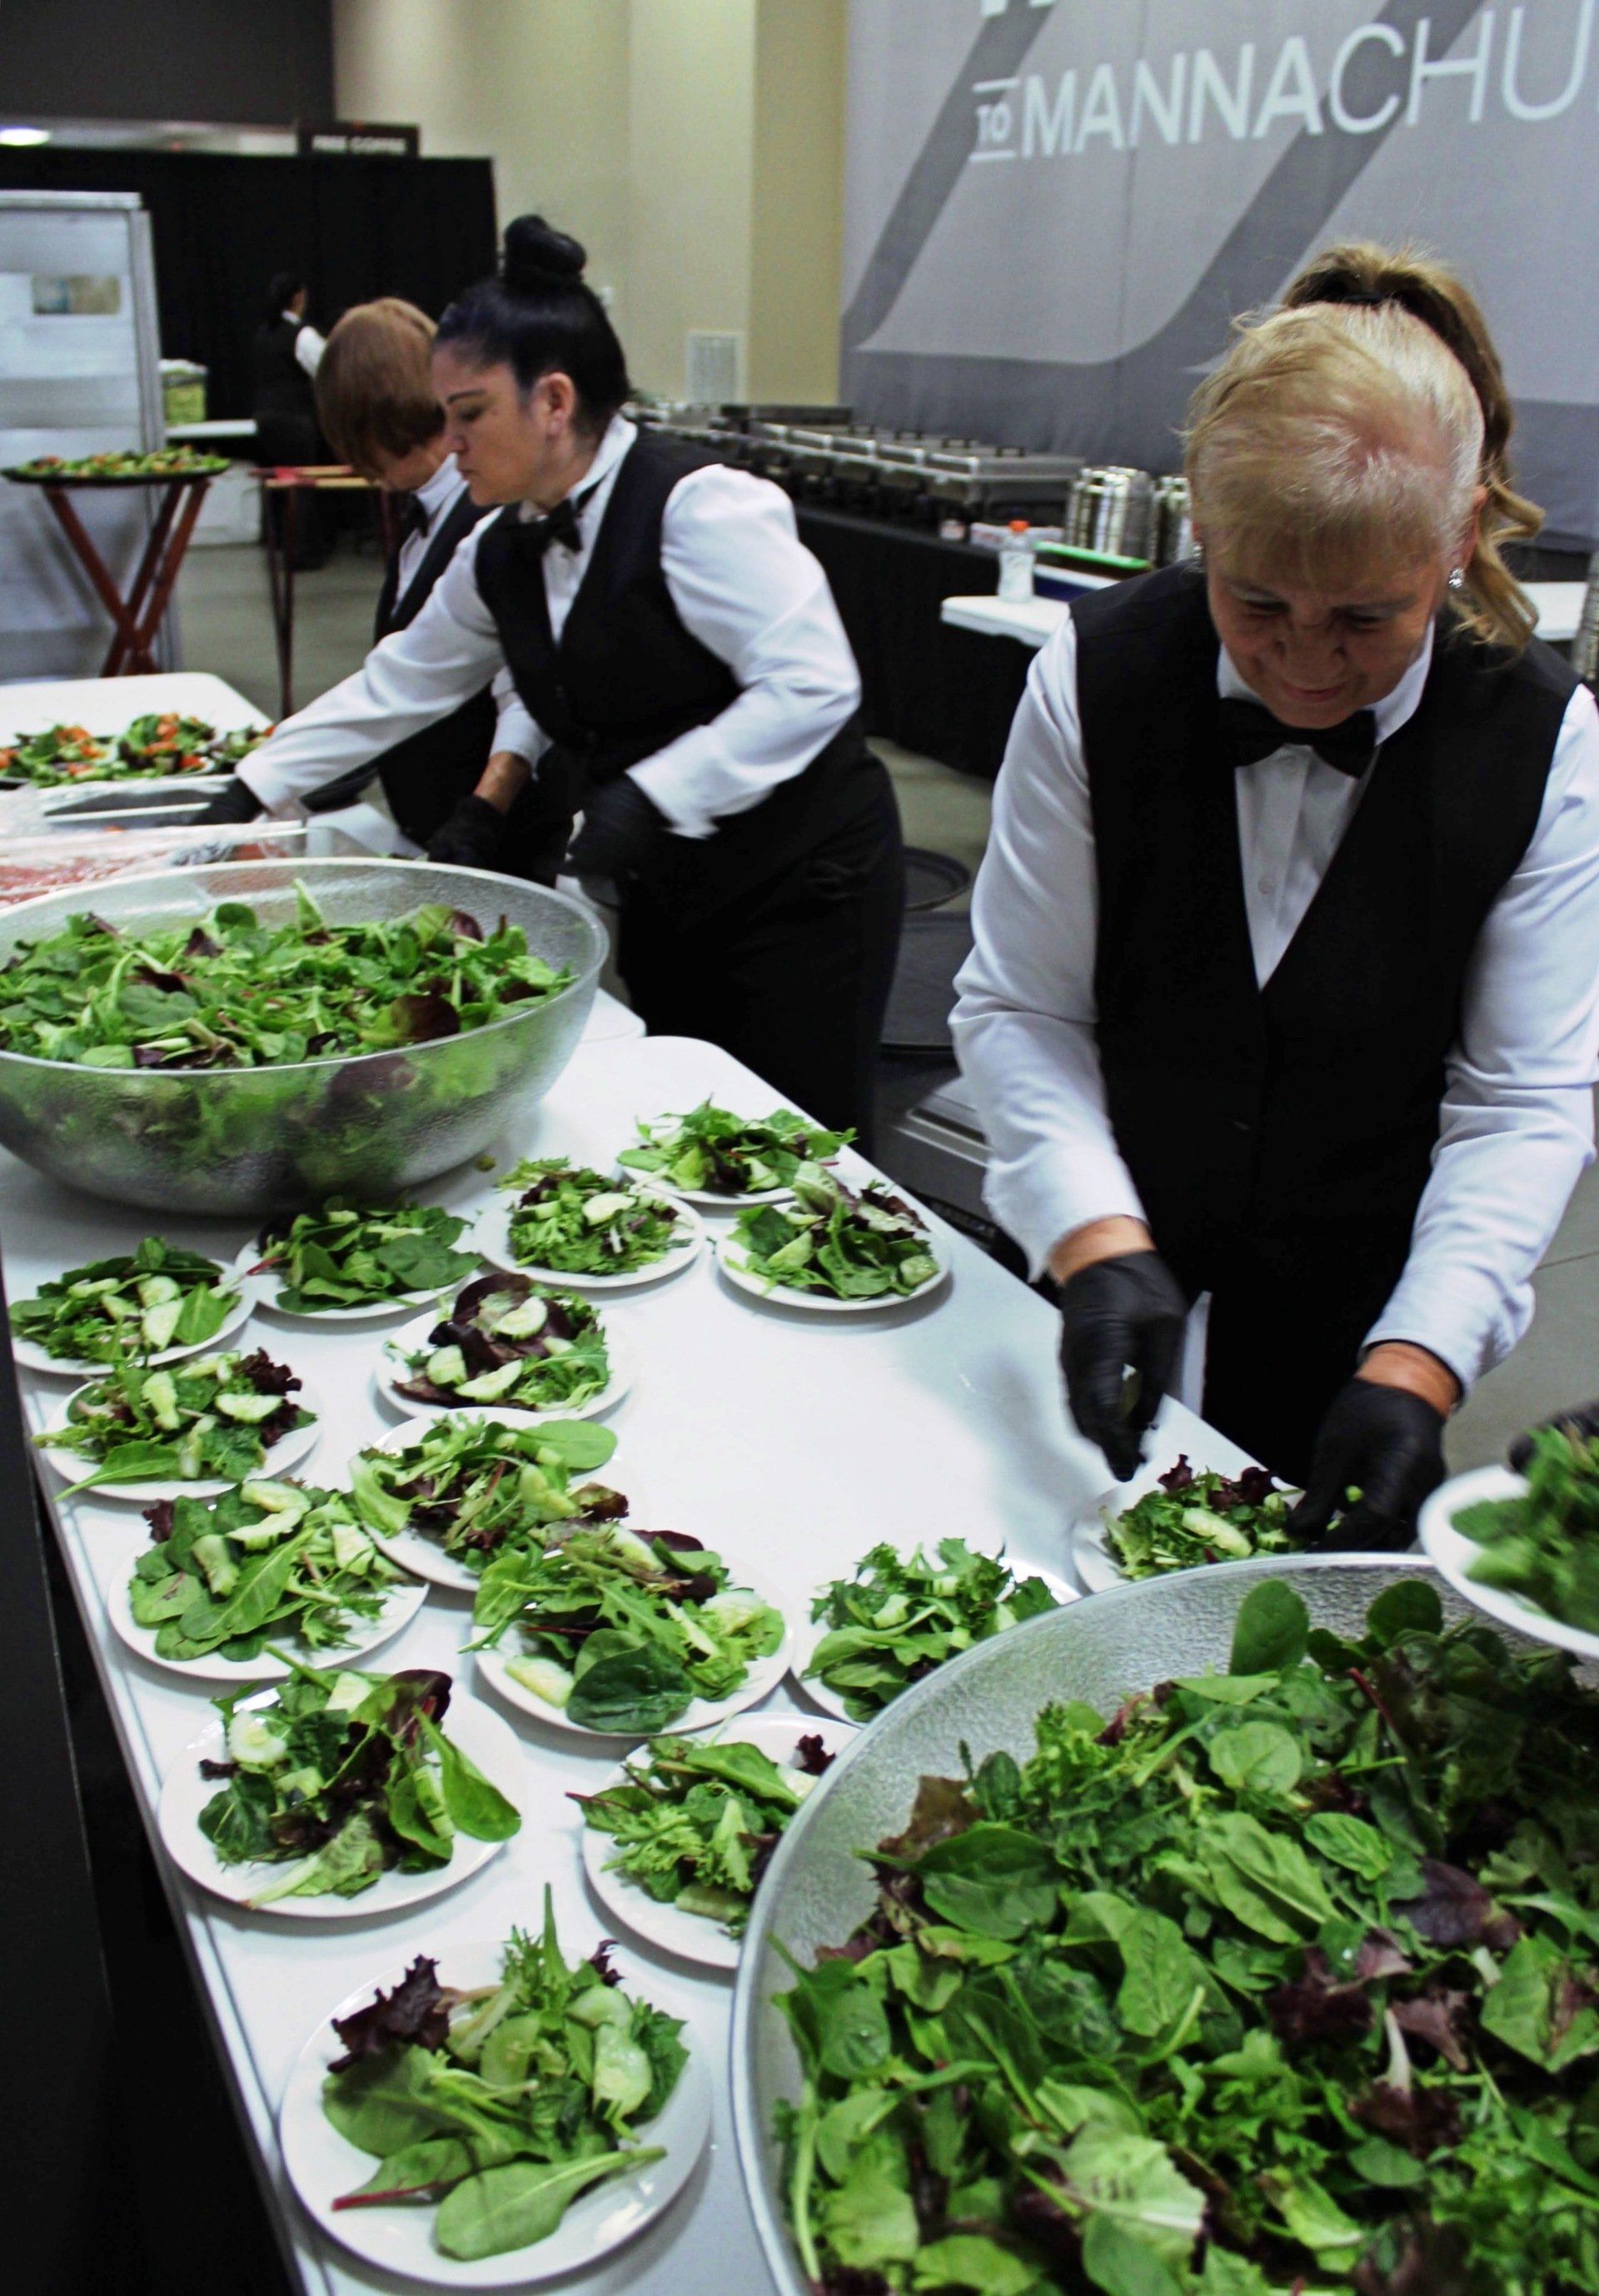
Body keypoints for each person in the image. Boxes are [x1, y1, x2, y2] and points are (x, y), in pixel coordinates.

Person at [952, 242, 1599, 1549]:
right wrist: (1091, 1232)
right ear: (1200, 515)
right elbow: (1023, 1002)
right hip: (1117, 1214)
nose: (1305, 662)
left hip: (1367, 1279)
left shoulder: (1550, 741)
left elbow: (1521, 1100)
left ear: (1461, 535)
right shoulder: (1096, 677)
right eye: (1258, 603)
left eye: (1366, 617)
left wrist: (1419, 1359)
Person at [220, 215, 904, 1142]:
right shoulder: (499, 547)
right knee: (688, 1120)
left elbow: (814, 687)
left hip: (804, 881)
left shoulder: (700, 507)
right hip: (668, 883)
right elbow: (402, 681)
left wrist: (651, 796)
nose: (451, 445)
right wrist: (252, 785)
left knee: (801, 1142)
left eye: (468, 416)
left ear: (552, 400)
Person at [205, 296, 569, 874]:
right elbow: (403, 675)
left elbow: (523, 689)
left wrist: (484, 809)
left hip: (504, 840)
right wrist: (258, 781)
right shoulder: (429, 512)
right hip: (433, 829)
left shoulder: (496, 514)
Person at [250, 271, 326, 469]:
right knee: (300, 487)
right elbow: (327, 372)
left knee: (275, 486)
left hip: (264, 421)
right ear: (298, 297)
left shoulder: (262, 335)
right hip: (295, 422)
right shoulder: (303, 334)